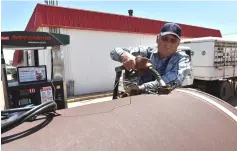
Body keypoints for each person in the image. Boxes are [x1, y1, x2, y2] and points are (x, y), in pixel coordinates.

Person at [110, 22, 191, 93]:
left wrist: (142, 88)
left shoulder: (183, 59)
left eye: (173, 40)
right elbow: (114, 52)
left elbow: (174, 80)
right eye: (165, 38)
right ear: (157, 38)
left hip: (167, 102)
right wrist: (124, 55)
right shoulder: (147, 52)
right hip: (140, 100)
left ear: (178, 43)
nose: (168, 44)